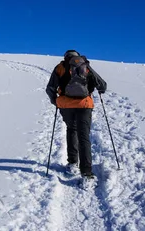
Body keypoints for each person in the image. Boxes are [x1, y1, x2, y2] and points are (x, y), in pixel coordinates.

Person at [45, 50, 107, 179]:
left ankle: (72, 163)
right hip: (84, 105)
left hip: (66, 105)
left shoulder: (60, 67)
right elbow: (102, 85)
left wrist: (55, 101)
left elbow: (50, 88)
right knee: (83, 136)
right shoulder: (85, 66)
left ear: (66, 57)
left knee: (71, 130)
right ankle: (87, 173)